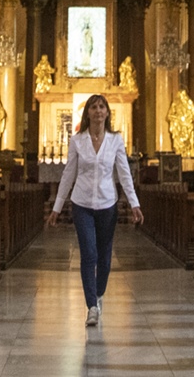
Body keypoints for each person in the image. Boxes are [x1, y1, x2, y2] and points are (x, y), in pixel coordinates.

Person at [46, 93, 142, 327]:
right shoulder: (77, 141)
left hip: (108, 204)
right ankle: (91, 306)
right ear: (87, 112)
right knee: (89, 255)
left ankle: (98, 296)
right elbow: (69, 173)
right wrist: (57, 207)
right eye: (94, 107)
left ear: (107, 113)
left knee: (105, 259)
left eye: (102, 107)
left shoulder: (115, 140)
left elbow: (124, 174)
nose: (98, 111)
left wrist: (134, 203)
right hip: (82, 204)